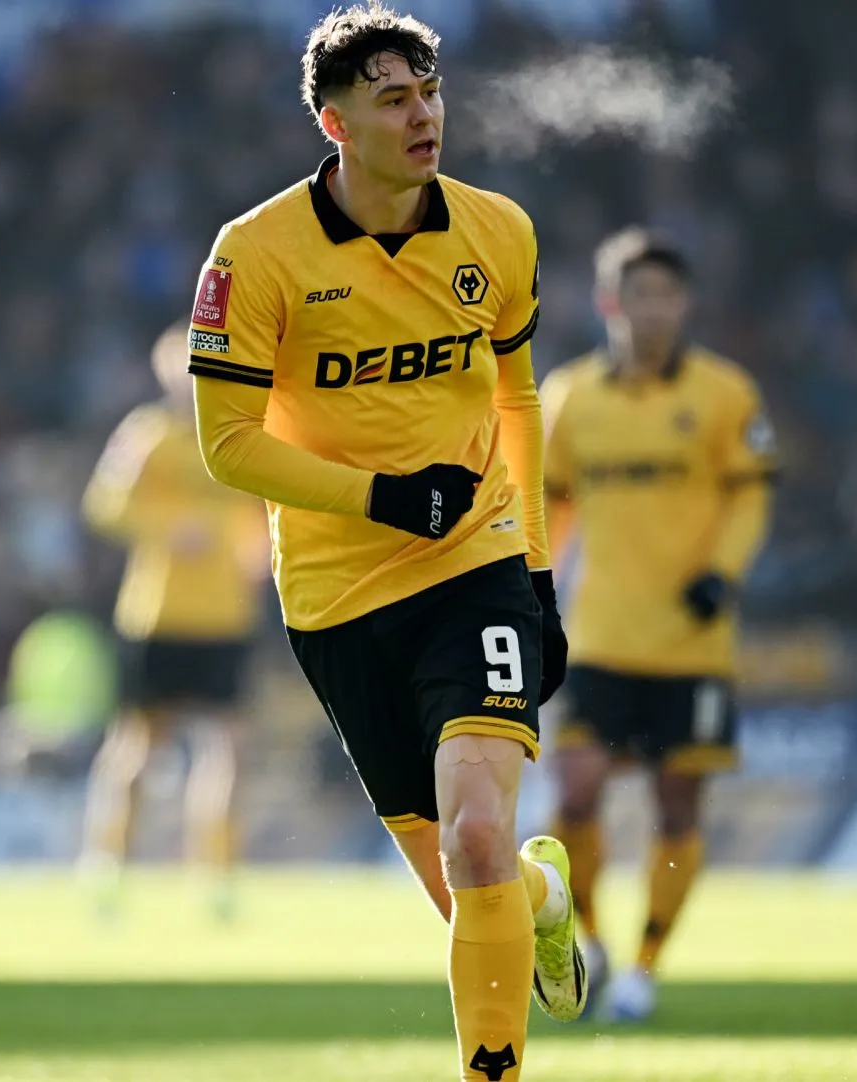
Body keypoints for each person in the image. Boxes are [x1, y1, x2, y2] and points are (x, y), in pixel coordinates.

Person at [186, 6, 582, 1078]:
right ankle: (546, 901)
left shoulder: (498, 229)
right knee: (473, 886)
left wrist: (536, 567)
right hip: (335, 596)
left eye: (431, 93)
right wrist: (384, 498)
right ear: (336, 121)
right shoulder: (254, 253)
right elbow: (226, 446)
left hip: (476, 563)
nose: (424, 116)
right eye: (394, 98)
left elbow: (519, 400)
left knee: (480, 836)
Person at [541, 229, 776, 1023]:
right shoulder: (571, 397)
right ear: (611, 303)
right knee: (574, 794)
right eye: (641, 294)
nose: (657, 310)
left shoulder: (724, 395)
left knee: (679, 809)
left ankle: (644, 966)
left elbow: (750, 494)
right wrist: (529, 587)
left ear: (686, 304)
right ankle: (593, 943)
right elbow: (550, 504)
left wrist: (725, 573)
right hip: (598, 637)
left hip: (691, 644)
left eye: (669, 295)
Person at [79, 323, 270, 920]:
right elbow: (104, 505)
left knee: (226, 750)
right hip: (156, 613)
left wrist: (263, 551)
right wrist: (168, 529)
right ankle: (107, 867)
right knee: (137, 747)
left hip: (224, 616)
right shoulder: (147, 435)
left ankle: (215, 876)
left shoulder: (240, 437)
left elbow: (268, 509)